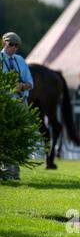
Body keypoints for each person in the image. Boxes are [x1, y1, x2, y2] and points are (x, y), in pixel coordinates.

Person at [0, 32, 34, 180]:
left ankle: (15, 173)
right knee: (6, 138)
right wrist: (8, 86)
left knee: (18, 138)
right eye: (10, 44)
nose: (13, 47)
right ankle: (7, 171)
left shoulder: (20, 60)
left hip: (21, 103)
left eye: (16, 45)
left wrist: (21, 86)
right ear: (3, 43)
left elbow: (31, 83)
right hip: (5, 103)